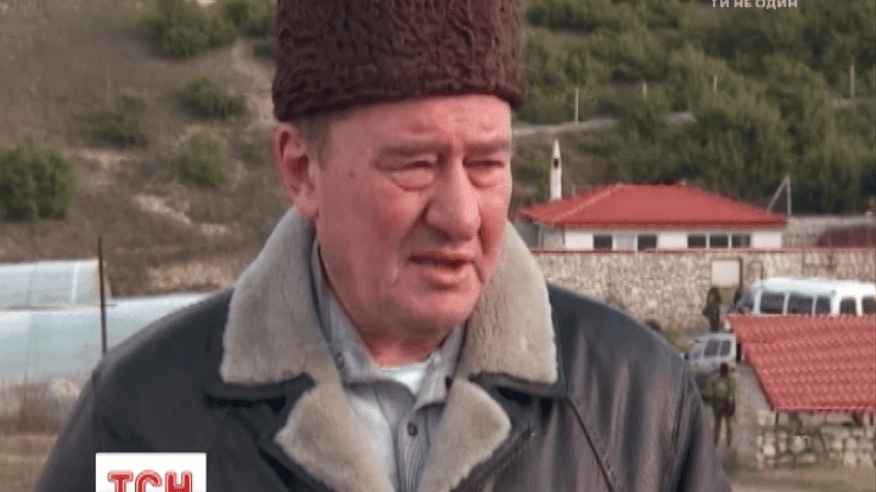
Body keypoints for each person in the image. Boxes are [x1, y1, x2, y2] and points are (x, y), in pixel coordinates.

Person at [33, 0, 731, 490]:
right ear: (302, 171)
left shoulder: (636, 404)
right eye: (415, 165)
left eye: (487, 164)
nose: (461, 216)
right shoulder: (148, 420)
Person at [705, 363, 737, 447]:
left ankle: (729, 442)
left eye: (726, 370)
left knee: (728, 424)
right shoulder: (715, 379)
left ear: (727, 370)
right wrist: (713, 402)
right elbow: (710, 390)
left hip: (727, 403)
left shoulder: (731, 380)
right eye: (723, 369)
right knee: (717, 423)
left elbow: (733, 392)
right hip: (717, 401)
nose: (724, 371)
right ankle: (715, 441)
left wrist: (732, 405)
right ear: (720, 370)